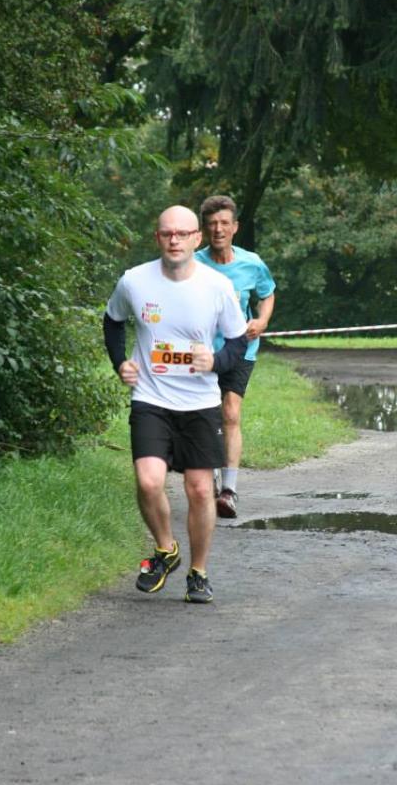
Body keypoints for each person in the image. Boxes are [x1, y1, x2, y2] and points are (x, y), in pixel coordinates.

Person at [103, 205, 248, 603]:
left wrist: (215, 361)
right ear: (157, 238)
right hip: (150, 398)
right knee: (149, 481)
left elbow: (238, 341)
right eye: (167, 233)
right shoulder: (134, 281)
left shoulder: (217, 286)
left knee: (200, 490)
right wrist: (120, 362)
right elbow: (112, 320)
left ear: (196, 239)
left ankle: (198, 573)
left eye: (183, 234)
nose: (174, 240)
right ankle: (166, 550)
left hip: (199, 403)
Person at [195, 195, 276, 519]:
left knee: (230, 413)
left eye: (224, 223)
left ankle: (228, 491)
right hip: (203, 352)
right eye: (212, 224)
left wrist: (262, 320)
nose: (218, 229)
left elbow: (267, 293)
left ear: (235, 227)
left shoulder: (251, 263)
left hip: (241, 348)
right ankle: (212, 477)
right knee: (206, 415)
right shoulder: (193, 264)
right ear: (204, 229)